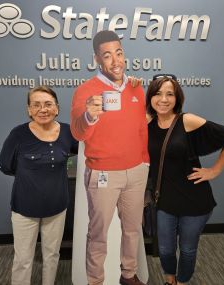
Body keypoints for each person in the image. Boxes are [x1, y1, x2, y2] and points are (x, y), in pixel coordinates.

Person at [146, 74, 224, 285]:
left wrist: (214, 170)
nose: (163, 99)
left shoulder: (186, 120)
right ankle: (170, 280)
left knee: (188, 249)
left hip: (194, 199)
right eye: (157, 93)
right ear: (150, 97)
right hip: (164, 199)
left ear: (177, 98)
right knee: (165, 249)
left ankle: (182, 282)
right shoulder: (147, 122)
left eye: (169, 94)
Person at [70, 30, 149, 285]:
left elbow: (141, 129)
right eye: (107, 55)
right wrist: (89, 116)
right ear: (96, 59)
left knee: (132, 229)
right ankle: (95, 280)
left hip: (136, 172)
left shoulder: (137, 88)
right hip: (103, 174)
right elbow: (77, 132)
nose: (115, 61)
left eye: (119, 53)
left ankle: (128, 275)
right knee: (98, 234)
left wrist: (144, 161)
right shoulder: (85, 91)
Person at [0, 86, 78, 285]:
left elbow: (81, 150)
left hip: (57, 207)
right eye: (37, 105)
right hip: (25, 208)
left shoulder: (68, 132)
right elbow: (5, 165)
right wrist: (30, 176)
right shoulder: (18, 134)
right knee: (23, 260)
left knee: (52, 256)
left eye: (48, 104)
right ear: (29, 110)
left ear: (57, 108)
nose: (43, 109)